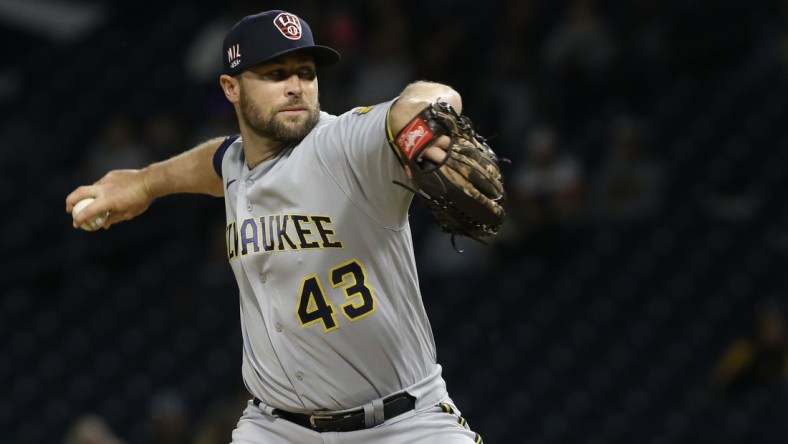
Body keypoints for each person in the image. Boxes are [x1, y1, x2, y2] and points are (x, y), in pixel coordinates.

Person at [66, 10, 488, 444]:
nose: (295, 87)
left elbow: (419, 102)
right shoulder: (236, 162)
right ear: (231, 88)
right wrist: (144, 183)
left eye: (306, 73)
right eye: (274, 73)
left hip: (401, 424)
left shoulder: (344, 145)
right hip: (278, 428)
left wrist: (423, 124)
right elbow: (216, 160)